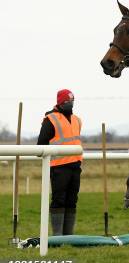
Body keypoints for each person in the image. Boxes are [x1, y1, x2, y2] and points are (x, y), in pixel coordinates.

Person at [37, 89, 82, 236]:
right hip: (59, 167)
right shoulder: (50, 119)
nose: (71, 104)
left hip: (76, 166)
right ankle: (57, 236)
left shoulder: (77, 120)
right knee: (59, 200)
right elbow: (41, 144)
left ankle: (69, 236)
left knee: (72, 200)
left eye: (72, 101)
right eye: (68, 101)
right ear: (61, 103)